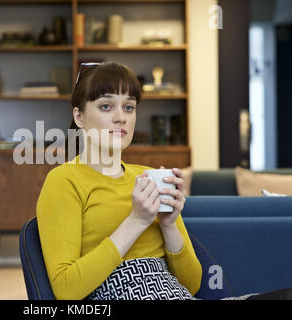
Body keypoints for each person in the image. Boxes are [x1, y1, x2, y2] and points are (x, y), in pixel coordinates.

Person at [36, 62, 290, 300]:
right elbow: (66, 291)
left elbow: (192, 284)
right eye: (106, 106)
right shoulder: (63, 181)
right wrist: (136, 221)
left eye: (129, 107)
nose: (121, 117)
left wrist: (169, 225)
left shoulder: (147, 178)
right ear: (79, 117)